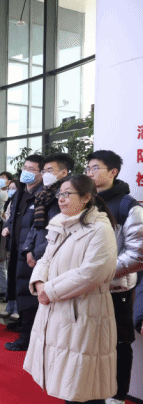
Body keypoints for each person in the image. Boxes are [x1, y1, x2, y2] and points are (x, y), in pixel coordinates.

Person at [23, 175, 119, 404]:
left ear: (85, 198)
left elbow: (92, 273)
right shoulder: (61, 223)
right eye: (60, 194)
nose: (61, 199)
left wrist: (49, 291)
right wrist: (39, 283)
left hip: (84, 311)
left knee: (83, 381)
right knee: (66, 378)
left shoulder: (100, 229)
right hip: (57, 308)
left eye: (67, 194)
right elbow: (45, 258)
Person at [85, 150, 143, 404]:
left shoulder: (127, 205)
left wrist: (100, 272)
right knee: (88, 342)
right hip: (85, 287)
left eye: (95, 168)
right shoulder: (84, 202)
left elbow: (137, 254)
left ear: (113, 172)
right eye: (87, 168)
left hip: (116, 288)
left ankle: (117, 396)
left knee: (119, 343)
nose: (89, 172)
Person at [2, 155, 45, 350]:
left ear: (41, 173)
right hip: (16, 248)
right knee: (19, 290)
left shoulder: (43, 194)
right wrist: (8, 227)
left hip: (31, 253)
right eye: (24, 168)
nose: (26, 172)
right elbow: (13, 217)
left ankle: (27, 337)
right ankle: (23, 324)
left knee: (29, 294)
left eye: (31, 169)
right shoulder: (21, 192)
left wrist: (32, 250)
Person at [0, 180, 20, 320]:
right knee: (11, 275)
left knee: (18, 277)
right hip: (9, 241)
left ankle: (17, 307)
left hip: (19, 242)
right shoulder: (10, 201)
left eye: (13, 188)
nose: (10, 190)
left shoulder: (22, 201)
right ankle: (10, 305)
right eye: (9, 188)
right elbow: (8, 218)